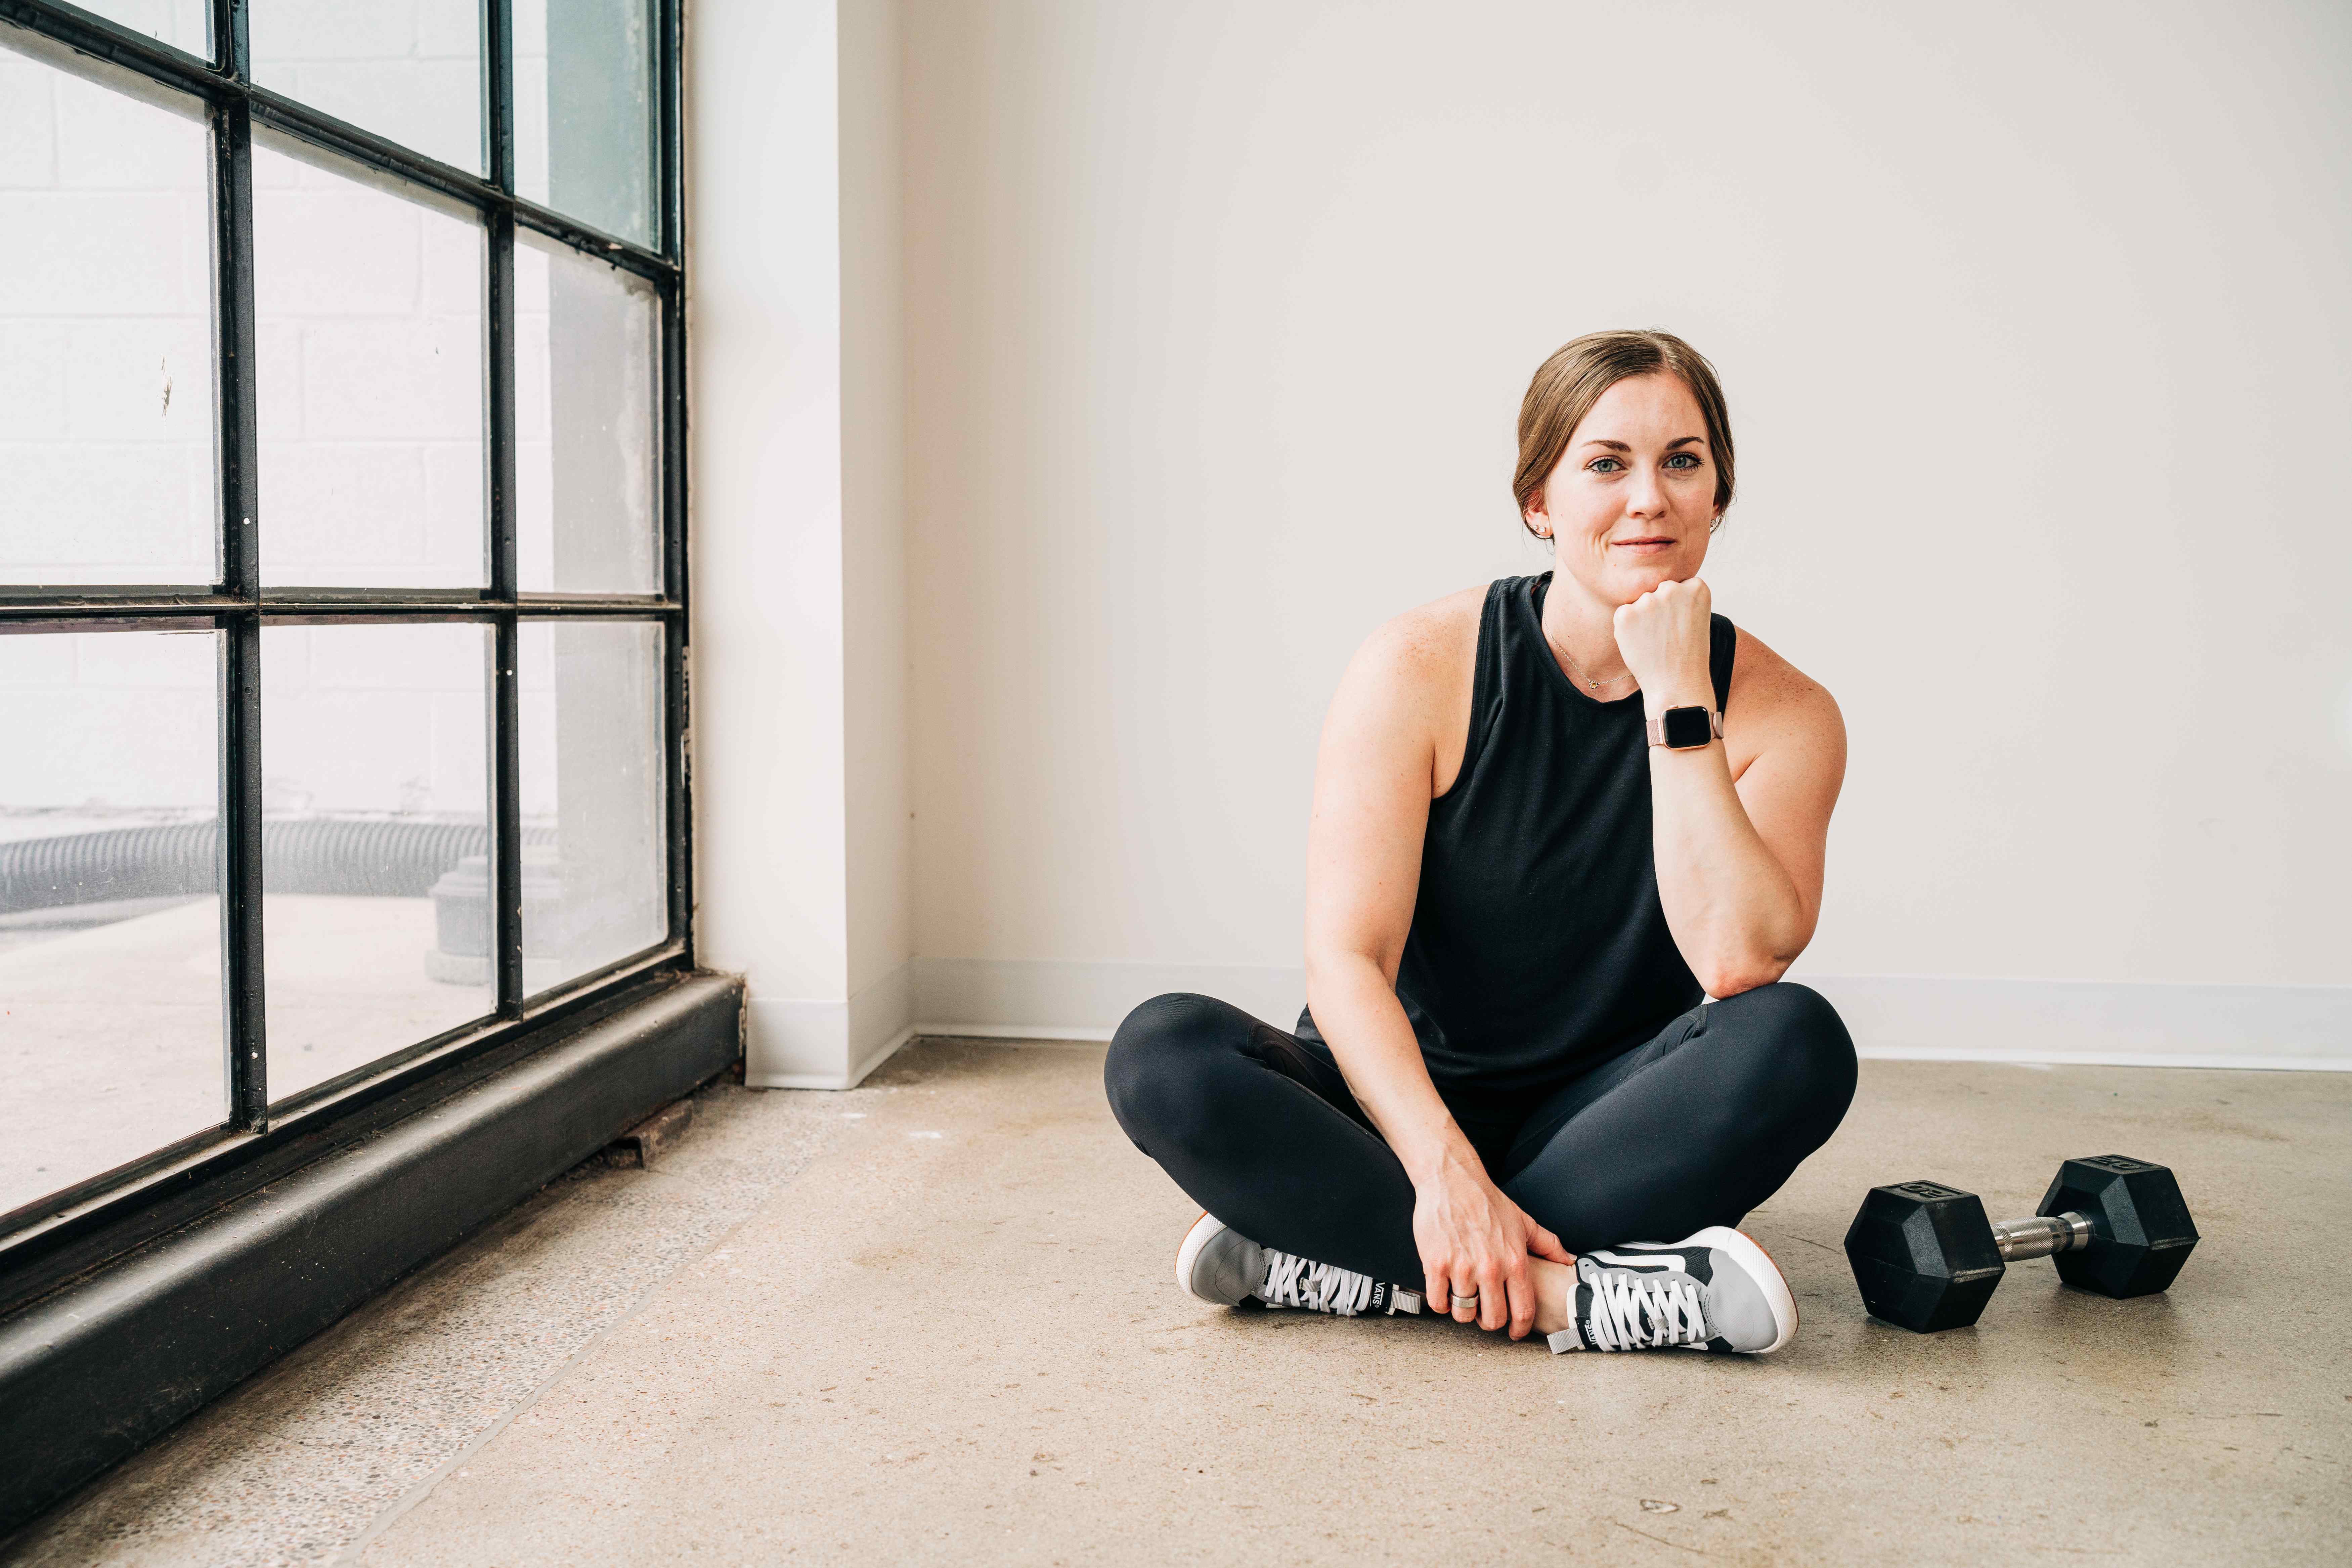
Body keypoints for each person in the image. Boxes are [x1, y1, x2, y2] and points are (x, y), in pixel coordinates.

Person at [1103, 330, 1857, 1355]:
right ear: (1538, 504)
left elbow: (1738, 962)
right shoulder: (1416, 665)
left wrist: (1679, 698)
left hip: (1604, 1128)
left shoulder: (1787, 715)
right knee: (1162, 1053)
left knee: (1797, 1038)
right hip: (1391, 1115)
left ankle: (1340, 1262)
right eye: (1605, 464)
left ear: (1718, 496)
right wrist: (1443, 1175)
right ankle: (1577, 1298)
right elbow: (1347, 962)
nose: (1649, 497)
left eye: (1682, 461)